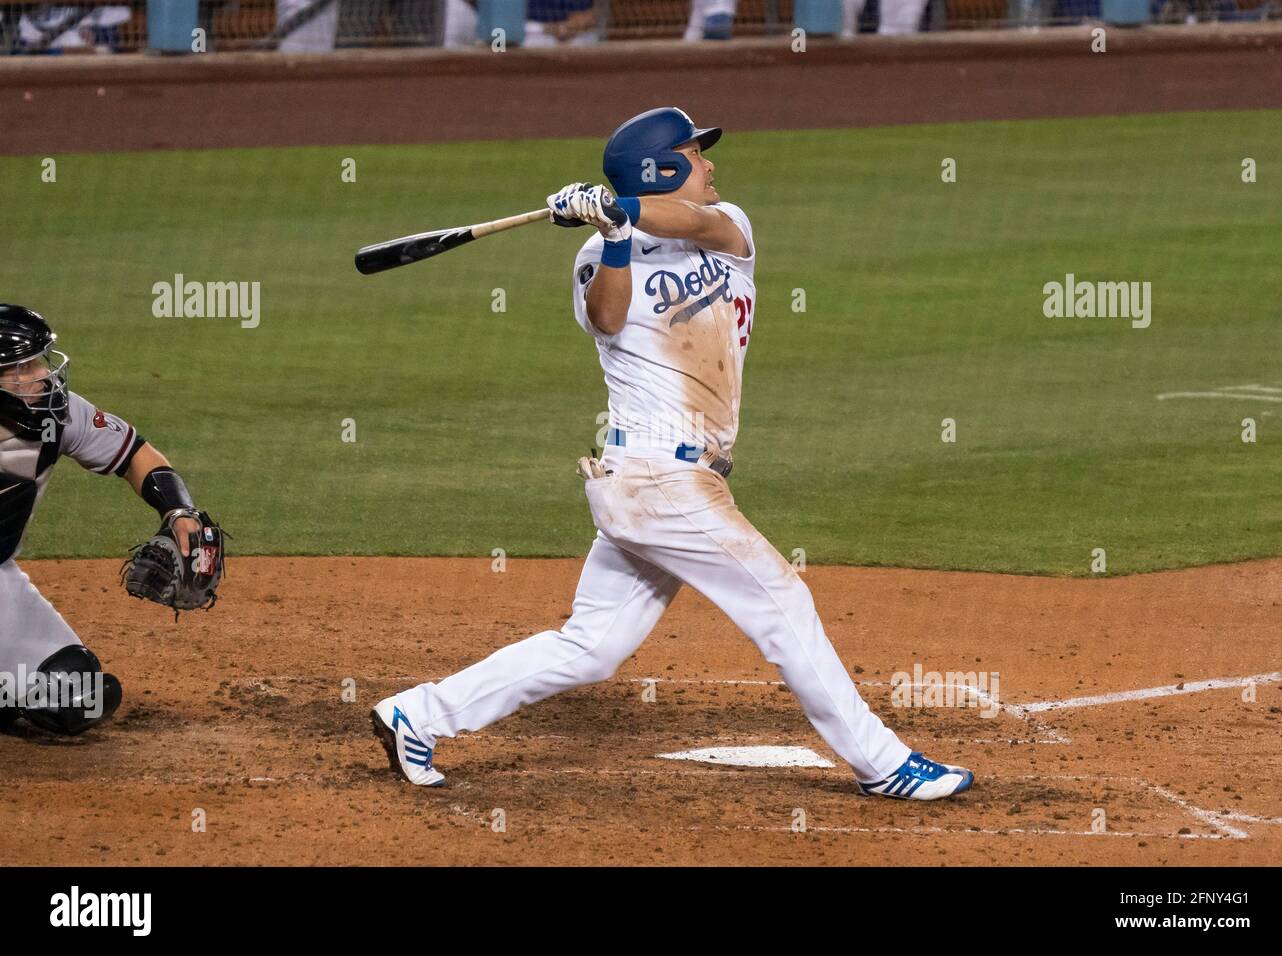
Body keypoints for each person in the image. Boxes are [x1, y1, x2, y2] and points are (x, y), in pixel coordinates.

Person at [372, 108, 974, 801]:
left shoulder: (729, 229)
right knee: (783, 602)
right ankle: (882, 764)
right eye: (695, 153)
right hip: (655, 479)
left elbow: (689, 222)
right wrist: (615, 232)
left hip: (676, 482)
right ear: (663, 166)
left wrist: (614, 207)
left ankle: (416, 714)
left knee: (592, 647)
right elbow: (607, 316)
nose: (711, 164)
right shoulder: (596, 258)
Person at [0, 305, 208, 736]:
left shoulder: (58, 414)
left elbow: (136, 455)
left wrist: (179, 511)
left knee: (78, 692)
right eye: (21, 366)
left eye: (39, 360)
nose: (41, 374)